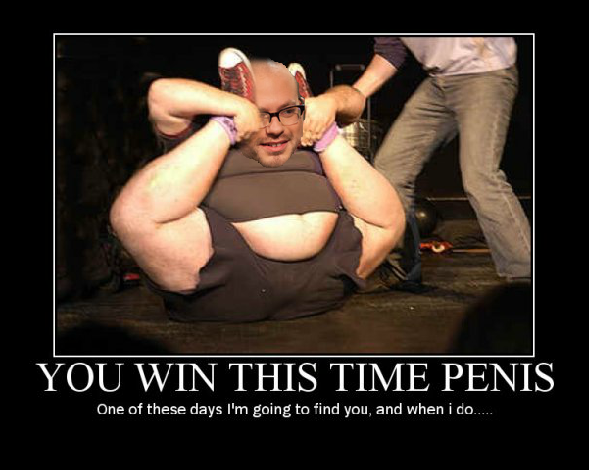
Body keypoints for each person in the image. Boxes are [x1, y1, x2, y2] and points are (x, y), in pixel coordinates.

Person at [109, 48, 405, 322]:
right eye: (261, 112)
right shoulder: (201, 138)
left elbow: (354, 100)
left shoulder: (301, 134)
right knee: (132, 215)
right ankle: (235, 119)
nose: (274, 127)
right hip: (226, 279)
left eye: (287, 110)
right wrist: (233, 114)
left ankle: (321, 127)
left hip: (329, 277)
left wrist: (328, 105)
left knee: (391, 217)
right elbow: (161, 94)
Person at [347, 37, 531, 288]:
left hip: (485, 74)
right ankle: (402, 271)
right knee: (391, 172)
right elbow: (391, 50)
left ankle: (524, 276)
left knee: (480, 177)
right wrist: (353, 96)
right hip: (439, 81)